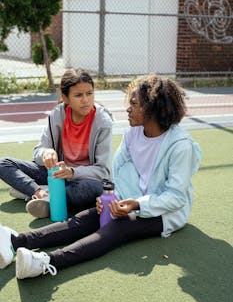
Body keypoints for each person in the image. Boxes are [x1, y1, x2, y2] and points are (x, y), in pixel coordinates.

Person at [0, 73, 202, 279]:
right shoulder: (132, 135)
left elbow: (176, 197)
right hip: (129, 201)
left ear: (152, 107)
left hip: (166, 213)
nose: (127, 108)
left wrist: (136, 205)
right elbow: (117, 174)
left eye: (134, 103)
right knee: (87, 217)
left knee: (118, 227)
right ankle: (17, 241)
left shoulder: (180, 146)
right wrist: (109, 199)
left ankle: (48, 262)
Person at [0, 69, 113, 218]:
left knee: (88, 190)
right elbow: (38, 151)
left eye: (89, 93)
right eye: (78, 95)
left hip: (82, 179)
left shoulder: (103, 122)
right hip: (56, 174)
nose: (85, 100)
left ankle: (37, 194)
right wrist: (46, 152)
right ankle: (39, 192)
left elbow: (103, 171)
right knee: (4, 164)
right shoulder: (57, 115)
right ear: (65, 98)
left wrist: (73, 172)